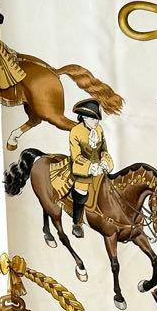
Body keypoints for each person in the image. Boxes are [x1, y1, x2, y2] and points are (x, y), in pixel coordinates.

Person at [68, 98, 113, 237]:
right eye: (93, 119)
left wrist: (105, 162)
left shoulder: (99, 129)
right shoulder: (75, 132)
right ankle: (77, 223)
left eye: (98, 119)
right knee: (81, 193)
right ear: (84, 117)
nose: (97, 122)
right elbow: (76, 157)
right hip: (82, 170)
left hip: (100, 168)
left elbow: (104, 149)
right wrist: (91, 167)